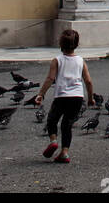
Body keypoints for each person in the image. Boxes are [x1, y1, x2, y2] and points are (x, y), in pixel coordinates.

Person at [35, 28, 94, 164]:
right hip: (77, 97)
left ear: (60, 44)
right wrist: (90, 98)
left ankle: (53, 141)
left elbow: (50, 78)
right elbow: (88, 81)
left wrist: (41, 94)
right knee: (67, 125)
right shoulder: (81, 61)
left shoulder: (57, 60)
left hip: (61, 96)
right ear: (77, 45)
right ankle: (64, 153)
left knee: (52, 120)